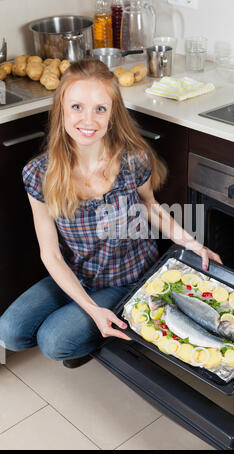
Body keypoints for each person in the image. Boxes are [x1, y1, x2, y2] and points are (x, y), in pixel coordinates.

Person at [0, 59, 221, 362]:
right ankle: (95, 319)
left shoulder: (132, 161)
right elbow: (50, 254)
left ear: (113, 116)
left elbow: (151, 208)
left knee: (54, 342)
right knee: (10, 331)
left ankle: (114, 323)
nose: (88, 120)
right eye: (77, 107)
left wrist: (193, 243)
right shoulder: (39, 173)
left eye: (100, 109)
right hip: (77, 272)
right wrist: (91, 308)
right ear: (60, 110)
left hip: (127, 277)